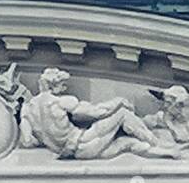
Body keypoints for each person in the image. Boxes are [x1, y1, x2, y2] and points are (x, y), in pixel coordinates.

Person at [19, 67, 176, 160]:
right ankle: (160, 144)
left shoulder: (28, 109)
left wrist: (49, 139)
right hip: (84, 142)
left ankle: (170, 153)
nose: (64, 88)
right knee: (122, 113)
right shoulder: (61, 102)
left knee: (127, 143)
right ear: (55, 86)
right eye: (62, 85)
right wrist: (119, 101)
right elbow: (98, 112)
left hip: (69, 152)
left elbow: (27, 141)